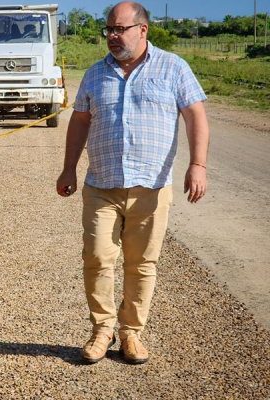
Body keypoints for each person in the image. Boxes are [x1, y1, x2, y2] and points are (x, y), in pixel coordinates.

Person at [56, 1, 209, 364]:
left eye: (119, 29)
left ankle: (131, 333)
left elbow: (195, 115)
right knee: (96, 258)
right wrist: (68, 168)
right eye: (108, 29)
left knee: (142, 264)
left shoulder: (173, 67)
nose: (112, 36)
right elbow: (79, 123)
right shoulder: (95, 74)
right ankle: (102, 330)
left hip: (151, 186)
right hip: (101, 185)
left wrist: (198, 164)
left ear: (142, 30)